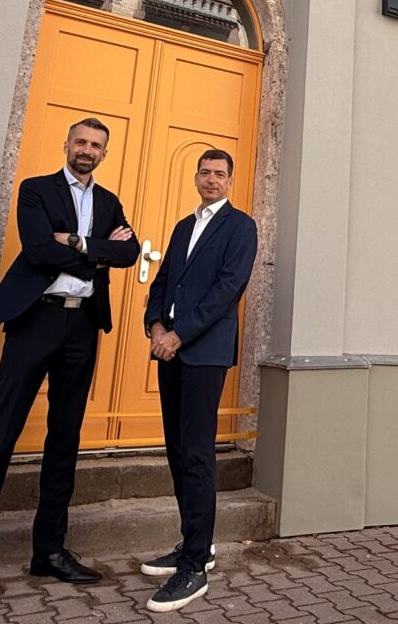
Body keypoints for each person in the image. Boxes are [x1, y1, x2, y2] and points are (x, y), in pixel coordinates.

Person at [0, 118, 141, 617]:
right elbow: (36, 249)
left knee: (65, 438)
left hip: (83, 330)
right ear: (67, 145)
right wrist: (96, 254)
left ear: (104, 153)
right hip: (35, 322)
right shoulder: (36, 189)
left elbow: (129, 252)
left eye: (97, 145)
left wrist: (77, 244)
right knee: (1, 435)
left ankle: (49, 552)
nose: (88, 150)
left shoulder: (109, 203)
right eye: (81, 141)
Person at [140, 149, 258, 613]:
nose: (212, 180)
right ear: (195, 177)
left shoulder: (240, 227)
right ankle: (195, 543)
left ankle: (194, 569)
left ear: (230, 180)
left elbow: (228, 289)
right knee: (176, 450)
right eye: (205, 173)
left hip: (203, 353)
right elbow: (164, 280)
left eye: (220, 174)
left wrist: (179, 335)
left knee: (196, 453)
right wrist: (154, 326)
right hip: (167, 348)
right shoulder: (183, 227)